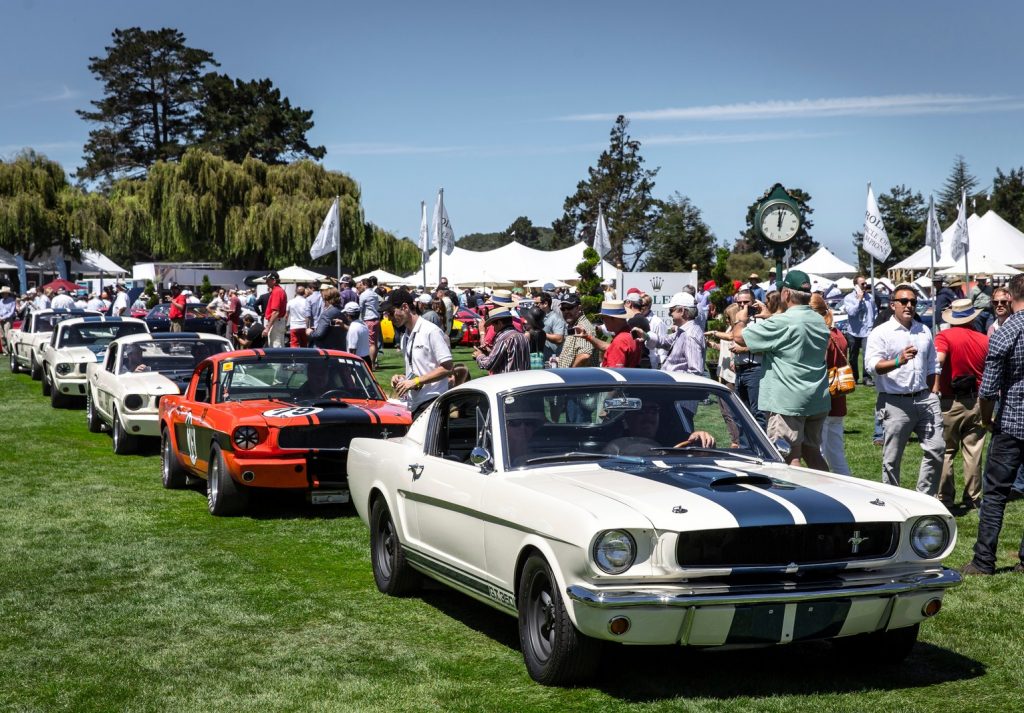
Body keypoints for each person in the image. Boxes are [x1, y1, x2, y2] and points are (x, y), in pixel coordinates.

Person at [730, 270, 830, 471]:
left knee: (788, 457)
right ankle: (825, 493)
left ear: (785, 294)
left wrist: (740, 318)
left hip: (787, 401)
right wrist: (770, 317)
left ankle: (796, 497)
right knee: (812, 453)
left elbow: (740, 337)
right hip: (816, 397)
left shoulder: (783, 322)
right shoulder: (818, 319)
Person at [962, 273, 1024, 576]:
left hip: (1010, 423)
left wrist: (986, 420)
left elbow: (987, 390)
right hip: (1013, 422)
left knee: (996, 494)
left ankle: (984, 560)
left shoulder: (1005, 331)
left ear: (1010, 298)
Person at [864, 284, 943, 495]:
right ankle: (893, 501)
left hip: (925, 399)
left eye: (913, 302)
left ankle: (924, 498)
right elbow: (871, 365)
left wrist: (934, 390)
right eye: (904, 301)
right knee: (892, 458)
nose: (909, 306)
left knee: (936, 449)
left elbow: (933, 364)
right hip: (895, 401)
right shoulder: (881, 332)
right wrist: (897, 361)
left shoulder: (923, 330)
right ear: (893, 305)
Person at [934, 298, 989, 511]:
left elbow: (939, 359)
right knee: (974, 452)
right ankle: (973, 498)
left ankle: (945, 498)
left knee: (946, 452)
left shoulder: (944, 336)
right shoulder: (984, 339)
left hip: (949, 402)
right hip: (976, 401)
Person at [385, 288, 453, 418]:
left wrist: (416, 381)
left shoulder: (431, 331)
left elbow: (448, 368)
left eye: (391, 313)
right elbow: (419, 370)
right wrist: (403, 379)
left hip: (432, 403)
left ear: (405, 307)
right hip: (416, 404)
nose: (389, 318)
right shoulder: (405, 337)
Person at [708, 289, 764, 428]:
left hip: (755, 369)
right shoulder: (739, 321)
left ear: (754, 302)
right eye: (739, 303)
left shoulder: (760, 321)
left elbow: (766, 346)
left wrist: (744, 349)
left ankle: (761, 448)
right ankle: (744, 446)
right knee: (740, 412)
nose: (743, 305)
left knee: (757, 413)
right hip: (739, 370)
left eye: (746, 302)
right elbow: (732, 338)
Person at [810, 293, 851, 475]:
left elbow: (820, 365)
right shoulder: (837, 334)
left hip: (823, 399)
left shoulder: (821, 336)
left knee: (817, 453)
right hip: (838, 398)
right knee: (836, 454)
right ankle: (848, 488)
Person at [603, 401, 716, 456]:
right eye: (641, 411)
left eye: (653, 411)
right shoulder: (614, 443)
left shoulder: (673, 439)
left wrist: (701, 437)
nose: (648, 416)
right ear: (627, 417)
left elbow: (694, 446)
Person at [646, 292, 705, 376]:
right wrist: (645, 336)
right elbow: (666, 341)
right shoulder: (684, 330)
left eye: (671, 310)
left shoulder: (690, 335)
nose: (669, 314)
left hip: (677, 386)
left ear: (682, 311)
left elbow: (695, 372)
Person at [578, 301, 641, 368]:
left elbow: (615, 373)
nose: (603, 322)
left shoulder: (620, 341)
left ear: (613, 318)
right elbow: (609, 347)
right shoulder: (631, 334)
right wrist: (588, 337)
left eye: (603, 318)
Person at [474, 306, 530, 374]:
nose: (494, 329)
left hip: (507, 381)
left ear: (500, 323)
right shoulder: (522, 336)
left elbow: (488, 364)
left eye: (494, 325)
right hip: (523, 379)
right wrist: (489, 352)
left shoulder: (503, 338)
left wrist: (479, 355)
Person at [842, 275, 876, 385]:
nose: (865, 285)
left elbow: (874, 312)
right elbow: (851, 313)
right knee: (853, 356)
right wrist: (859, 300)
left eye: (866, 283)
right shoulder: (848, 298)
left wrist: (873, 325)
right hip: (853, 331)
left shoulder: (870, 297)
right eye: (862, 284)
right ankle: (854, 377)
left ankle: (867, 378)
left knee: (867, 355)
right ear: (856, 285)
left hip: (867, 331)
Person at [554, 294, 597, 369]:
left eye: (569, 307)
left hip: (580, 379)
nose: (566, 311)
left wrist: (571, 372)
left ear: (579, 308)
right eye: (563, 309)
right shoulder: (573, 325)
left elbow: (584, 356)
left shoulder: (584, 327)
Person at [357, 277, 381, 367]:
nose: (360, 286)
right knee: (373, 342)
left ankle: (370, 364)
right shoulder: (374, 294)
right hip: (375, 319)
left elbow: (360, 308)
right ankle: (373, 363)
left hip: (368, 320)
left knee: (371, 344)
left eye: (361, 284)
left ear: (365, 285)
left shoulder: (364, 295)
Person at [537, 291, 566, 362]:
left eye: (537, 303)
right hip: (541, 359)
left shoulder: (556, 318)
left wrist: (541, 333)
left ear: (545, 304)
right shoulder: (539, 317)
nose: (535, 305)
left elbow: (559, 338)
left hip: (552, 360)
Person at [261, 271, 288, 347]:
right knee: (276, 346)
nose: (266, 282)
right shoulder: (278, 290)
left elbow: (276, 312)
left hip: (276, 322)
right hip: (277, 322)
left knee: (276, 348)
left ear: (274, 280)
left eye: (268, 280)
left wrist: (267, 328)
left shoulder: (277, 291)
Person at [343, 302, 371, 367]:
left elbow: (352, 349)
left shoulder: (353, 328)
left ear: (348, 315)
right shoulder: (363, 324)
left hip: (357, 361)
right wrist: (343, 325)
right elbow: (356, 331)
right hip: (366, 359)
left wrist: (351, 366)